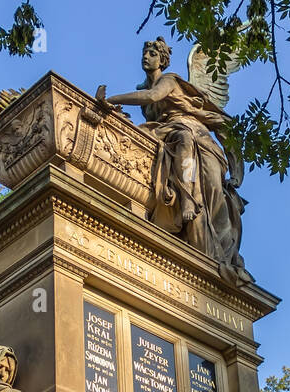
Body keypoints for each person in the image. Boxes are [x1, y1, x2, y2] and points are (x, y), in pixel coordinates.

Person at [96, 37, 252, 286]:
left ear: (162, 60)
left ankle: (221, 252)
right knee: (178, 139)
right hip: (168, 133)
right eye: (145, 53)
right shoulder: (142, 85)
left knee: (213, 188)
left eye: (152, 54)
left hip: (197, 135)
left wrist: (112, 99)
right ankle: (187, 202)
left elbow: (151, 96)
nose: (146, 56)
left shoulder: (168, 81)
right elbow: (146, 97)